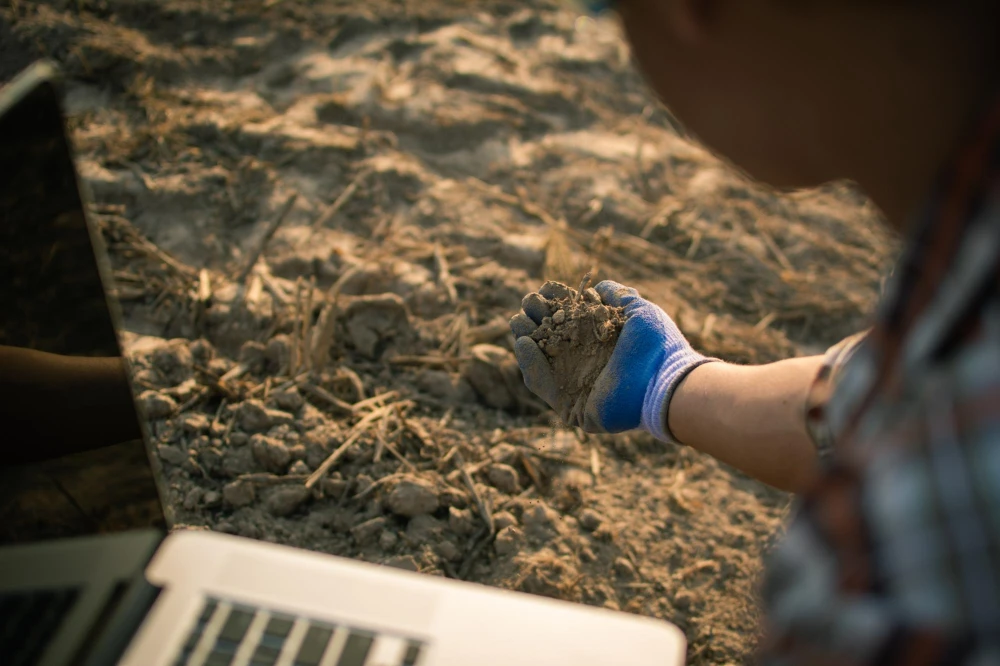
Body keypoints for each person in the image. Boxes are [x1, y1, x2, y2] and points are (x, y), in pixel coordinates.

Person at [511, 0, 999, 663]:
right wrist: (669, 383)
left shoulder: (916, 530)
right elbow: (859, 409)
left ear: (686, 12)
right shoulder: (963, 271)